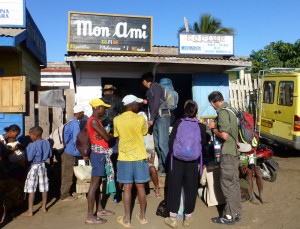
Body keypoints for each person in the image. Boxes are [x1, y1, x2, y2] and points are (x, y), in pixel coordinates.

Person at [164, 100, 206, 228]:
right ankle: (187, 218)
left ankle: (173, 219)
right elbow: (203, 143)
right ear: (196, 112)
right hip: (192, 162)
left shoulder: (178, 122)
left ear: (185, 111)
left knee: (174, 187)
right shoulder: (201, 126)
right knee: (191, 188)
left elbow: (171, 142)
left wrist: (176, 152)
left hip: (177, 161)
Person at [113, 95, 150, 227]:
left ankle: (127, 220)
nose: (138, 106)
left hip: (124, 157)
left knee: (127, 187)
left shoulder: (116, 119)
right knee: (140, 187)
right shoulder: (141, 118)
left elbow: (116, 136)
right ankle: (143, 217)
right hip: (140, 156)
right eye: (137, 104)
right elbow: (145, 133)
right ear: (133, 105)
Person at [207, 91, 242, 225]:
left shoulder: (222, 112)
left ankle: (228, 216)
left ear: (213, 102)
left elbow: (225, 136)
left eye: (212, 104)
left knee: (227, 184)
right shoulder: (231, 110)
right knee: (234, 183)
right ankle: (236, 212)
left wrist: (213, 128)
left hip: (227, 152)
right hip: (234, 152)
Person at [85, 98, 115, 225]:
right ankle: (90, 216)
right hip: (98, 155)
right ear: (97, 108)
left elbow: (103, 137)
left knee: (98, 183)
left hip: (100, 154)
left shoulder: (96, 121)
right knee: (94, 184)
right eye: (103, 108)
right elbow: (107, 137)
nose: (105, 110)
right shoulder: (93, 121)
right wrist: (111, 135)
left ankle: (99, 209)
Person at [141, 72, 170, 176]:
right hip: (157, 119)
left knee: (163, 144)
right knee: (157, 145)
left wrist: (151, 119)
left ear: (145, 81)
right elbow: (153, 104)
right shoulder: (150, 91)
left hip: (162, 117)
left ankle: (168, 169)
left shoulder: (156, 87)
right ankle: (162, 168)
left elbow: (157, 102)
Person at [22, 126, 52, 217]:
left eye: (30, 135)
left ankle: (30, 210)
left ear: (35, 135)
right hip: (43, 166)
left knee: (31, 188)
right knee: (44, 187)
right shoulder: (47, 142)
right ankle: (43, 207)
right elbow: (50, 154)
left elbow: (29, 158)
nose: (30, 137)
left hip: (34, 167)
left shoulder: (32, 145)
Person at [60, 105, 85, 202]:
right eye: (83, 113)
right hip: (69, 152)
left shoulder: (70, 121)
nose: (83, 115)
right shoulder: (75, 124)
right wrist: (82, 151)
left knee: (66, 173)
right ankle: (64, 195)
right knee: (68, 174)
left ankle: (67, 192)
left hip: (68, 151)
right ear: (79, 113)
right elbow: (76, 140)